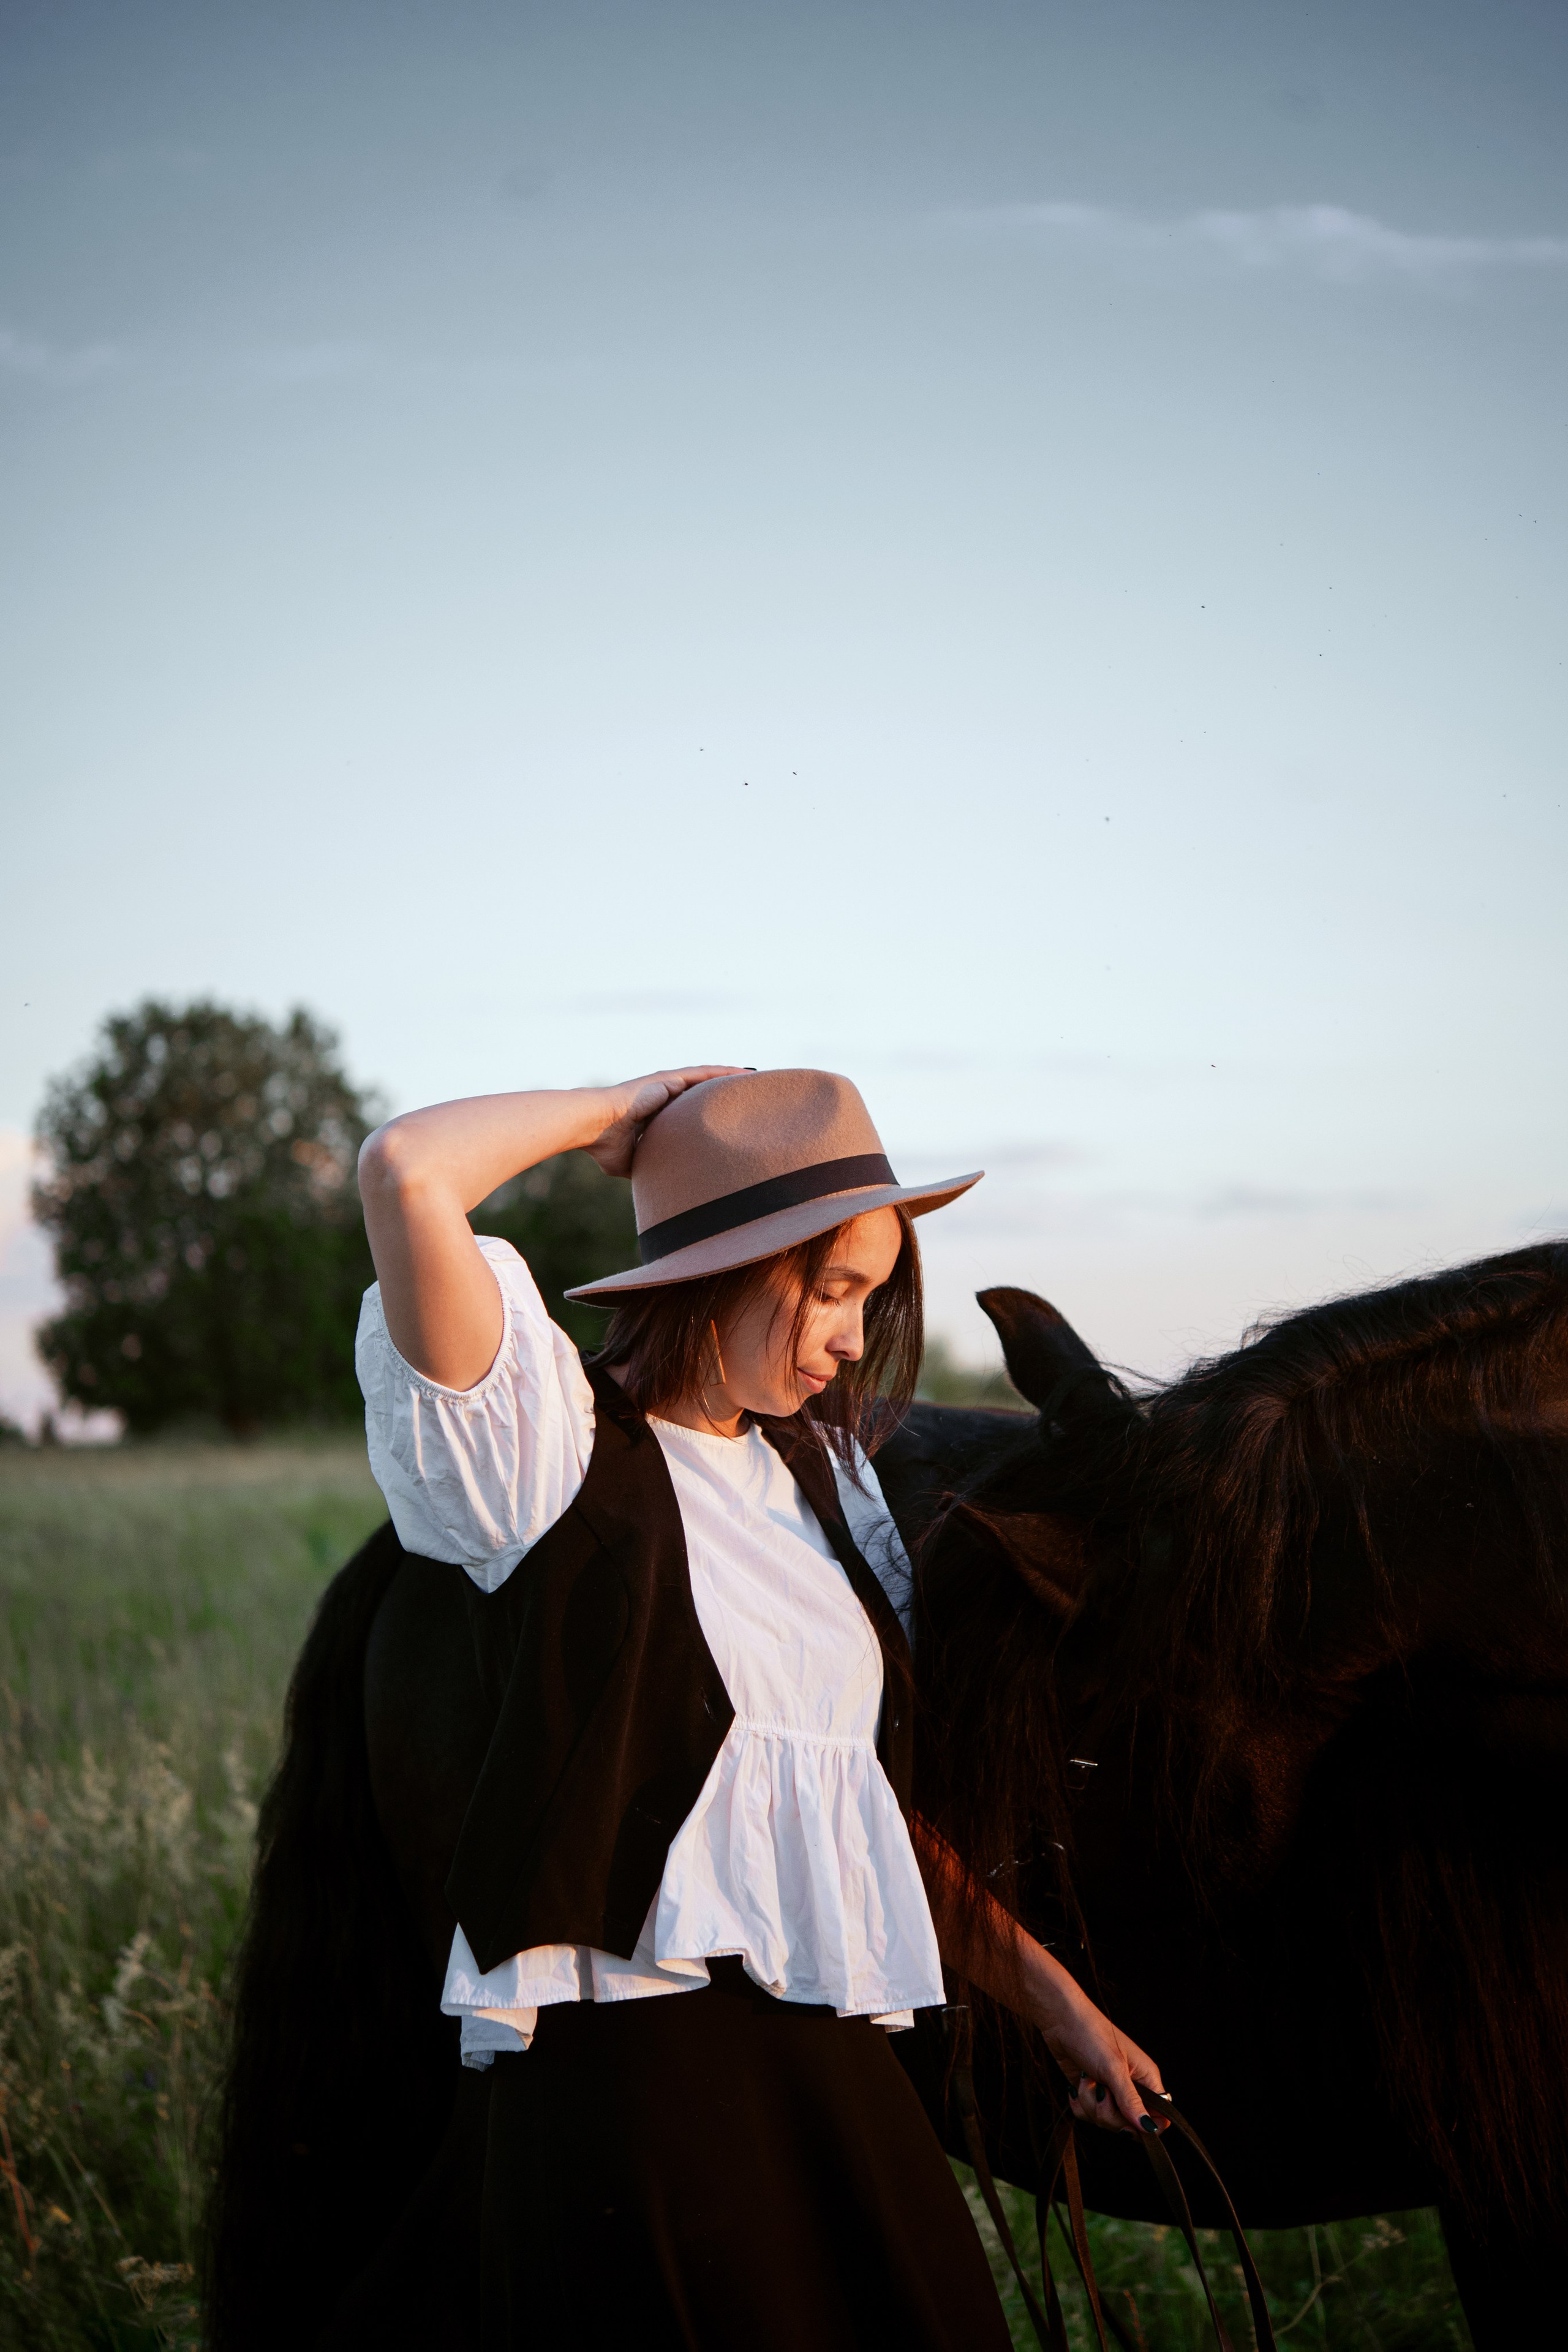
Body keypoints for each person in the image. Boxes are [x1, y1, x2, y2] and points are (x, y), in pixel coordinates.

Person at [355, 1064, 1166, 2351]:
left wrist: (1062, 2006)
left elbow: (846, 1809)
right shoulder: (553, 1453)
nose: (853, 1339)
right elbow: (407, 1169)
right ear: (723, 1270)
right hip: (632, 2074)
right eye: (832, 1290)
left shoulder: (821, 1482)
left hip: (821, 2046)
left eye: (869, 1299)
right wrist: (621, 1115)